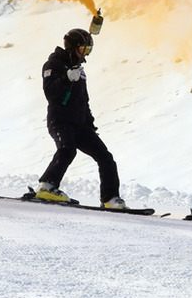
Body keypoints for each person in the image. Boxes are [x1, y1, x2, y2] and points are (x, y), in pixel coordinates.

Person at [37, 28, 127, 209]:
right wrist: (66, 78)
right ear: (72, 47)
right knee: (67, 150)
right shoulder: (53, 64)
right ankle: (47, 185)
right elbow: (51, 93)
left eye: (89, 50)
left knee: (105, 157)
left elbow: (83, 100)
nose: (86, 54)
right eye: (83, 49)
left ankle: (110, 198)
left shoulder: (79, 70)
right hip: (60, 121)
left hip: (79, 124)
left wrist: (89, 122)